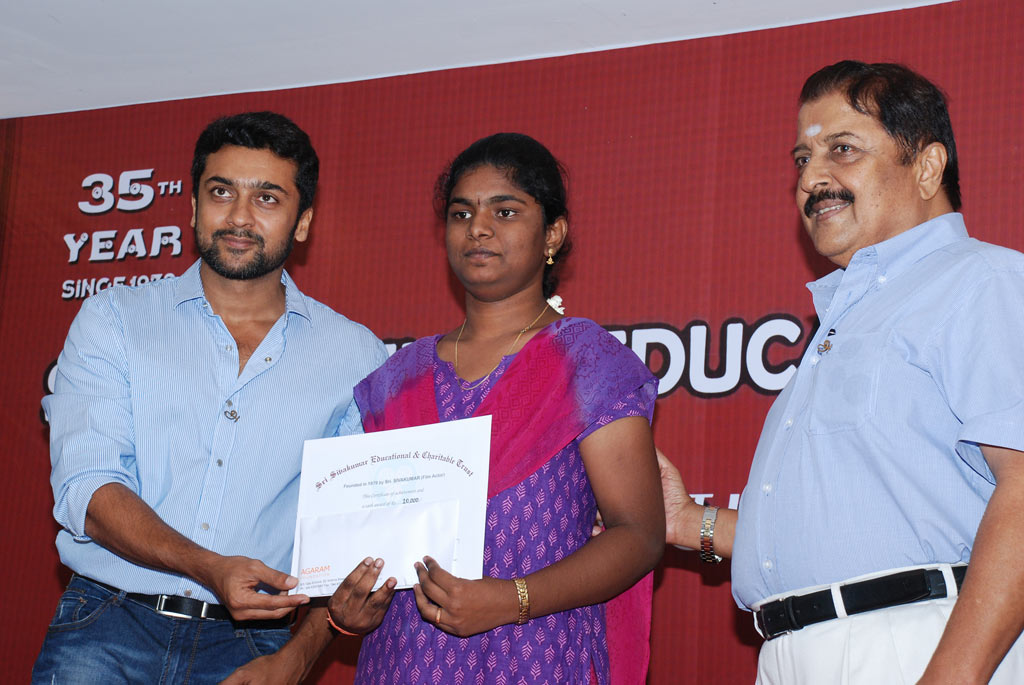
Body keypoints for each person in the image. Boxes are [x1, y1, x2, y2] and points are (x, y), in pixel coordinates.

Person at [659, 60, 1024, 684]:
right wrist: (687, 523)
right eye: (803, 159)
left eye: (843, 149)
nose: (811, 179)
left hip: (917, 647)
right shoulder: (844, 319)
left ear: (928, 166)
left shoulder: (982, 281)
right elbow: (859, 533)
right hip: (792, 651)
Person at [33, 111, 388, 684]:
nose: (240, 217)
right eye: (221, 192)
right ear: (195, 208)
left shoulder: (356, 355)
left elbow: (354, 533)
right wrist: (208, 567)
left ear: (303, 222)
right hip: (107, 626)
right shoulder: (115, 319)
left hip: (254, 645)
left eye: (267, 198)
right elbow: (88, 489)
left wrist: (297, 659)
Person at [325, 132, 665, 684]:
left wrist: (512, 599)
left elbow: (639, 535)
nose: (478, 228)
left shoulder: (588, 363)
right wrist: (349, 609)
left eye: (504, 211)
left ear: (552, 233)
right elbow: (361, 545)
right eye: (461, 214)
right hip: (404, 661)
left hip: (536, 655)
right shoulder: (397, 381)